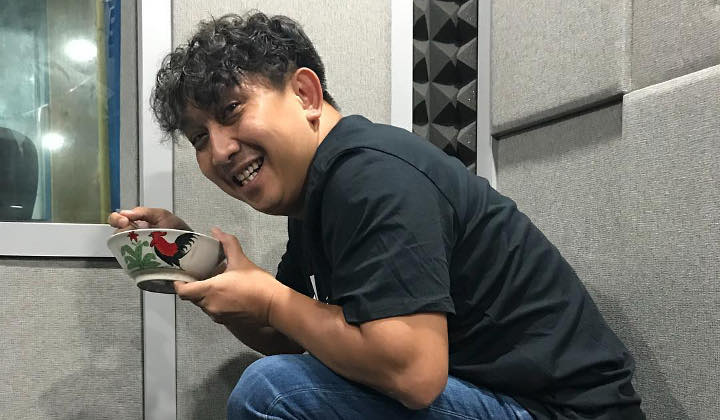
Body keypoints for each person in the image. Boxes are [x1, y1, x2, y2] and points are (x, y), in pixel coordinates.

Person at [109, 12, 645, 420]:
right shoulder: (318, 193)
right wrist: (209, 271)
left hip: (558, 411)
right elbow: (296, 335)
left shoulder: (371, 177)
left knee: (271, 391)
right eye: (200, 138)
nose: (220, 149)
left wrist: (269, 297)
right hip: (495, 397)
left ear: (305, 94)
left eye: (231, 111)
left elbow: (413, 374)